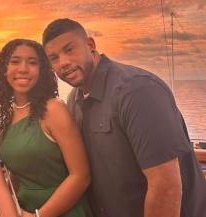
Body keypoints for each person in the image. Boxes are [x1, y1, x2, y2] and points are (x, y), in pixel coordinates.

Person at [42, 18, 206, 217]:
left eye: (69, 50)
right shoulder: (74, 100)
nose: (63, 63)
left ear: (90, 45)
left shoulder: (136, 91)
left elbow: (166, 186)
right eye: (54, 58)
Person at [0, 38, 93, 217]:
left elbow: (81, 176)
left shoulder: (53, 109)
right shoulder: (8, 118)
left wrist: (39, 215)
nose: (23, 69)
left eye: (32, 62)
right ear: (4, 70)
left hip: (63, 212)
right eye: (15, 61)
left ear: (42, 71)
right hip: (25, 210)